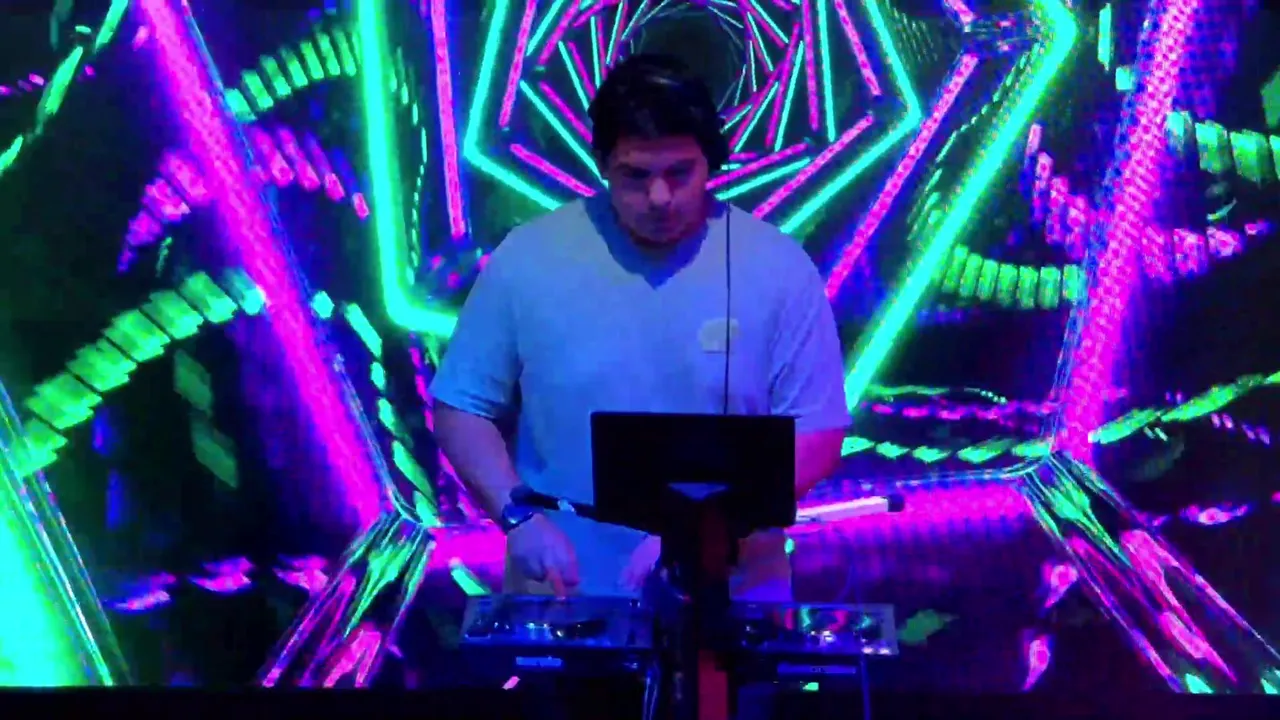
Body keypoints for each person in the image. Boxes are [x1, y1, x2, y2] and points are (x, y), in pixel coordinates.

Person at [429, 52, 849, 717]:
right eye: (635, 176)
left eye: (680, 173)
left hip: (732, 613)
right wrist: (516, 517)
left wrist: (697, 536)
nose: (659, 198)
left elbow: (818, 434)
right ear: (602, 165)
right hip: (567, 608)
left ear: (713, 163)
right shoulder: (529, 258)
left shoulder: (778, 267)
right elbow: (460, 407)